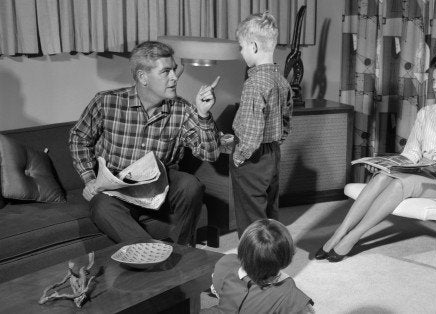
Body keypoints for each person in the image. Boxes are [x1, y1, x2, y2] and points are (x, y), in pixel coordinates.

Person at [316, 51, 436, 262]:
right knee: (383, 177)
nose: (435, 86)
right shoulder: (426, 113)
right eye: (433, 80)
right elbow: (411, 153)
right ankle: (340, 232)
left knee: (401, 184)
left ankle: (354, 237)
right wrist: (387, 165)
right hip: (421, 171)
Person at [68, 40, 222, 246]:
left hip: (160, 185)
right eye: (166, 71)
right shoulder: (106, 102)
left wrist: (203, 115)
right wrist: (89, 179)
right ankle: (151, 253)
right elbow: (78, 138)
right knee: (101, 206)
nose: (175, 77)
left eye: (174, 70)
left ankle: (183, 250)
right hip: (116, 188)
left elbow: (210, 154)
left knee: (190, 186)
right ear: (143, 77)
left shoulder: (182, 109)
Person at [230, 11, 293, 237]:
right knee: (269, 214)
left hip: (253, 159)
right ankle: (272, 260)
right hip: (272, 153)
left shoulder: (254, 83)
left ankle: (254, 266)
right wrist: (275, 142)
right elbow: (286, 119)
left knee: (251, 217)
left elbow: (251, 129)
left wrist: (239, 155)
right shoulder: (281, 79)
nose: (241, 52)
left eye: (242, 47)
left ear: (254, 46)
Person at [208, 219, 314, 313]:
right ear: (286, 256)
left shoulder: (226, 263)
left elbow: (218, 292)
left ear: (242, 249)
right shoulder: (291, 296)